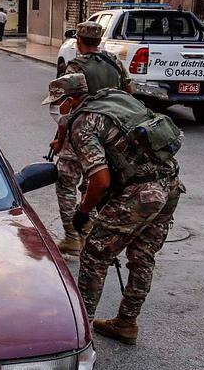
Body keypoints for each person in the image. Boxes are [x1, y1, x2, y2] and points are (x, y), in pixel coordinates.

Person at [43, 73, 184, 345]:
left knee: (95, 252)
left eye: (57, 103)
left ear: (70, 100)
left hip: (140, 193)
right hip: (170, 185)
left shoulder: (82, 122)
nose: (55, 109)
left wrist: (82, 213)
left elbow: (100, 180)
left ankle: (79, 333)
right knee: (143, 256)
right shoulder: (115, 98)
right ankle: (126, 323)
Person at [50, 20, 133, 256]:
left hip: (82, 133)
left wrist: (59, 139)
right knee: (94, 184)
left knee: (65, 183)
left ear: (78, 40)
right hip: (110, 135)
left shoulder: (75, 67)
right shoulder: (113, 61)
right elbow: (130, 93)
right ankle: (90, 234)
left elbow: (66, 108)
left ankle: (72, 237)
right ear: (99, 40)